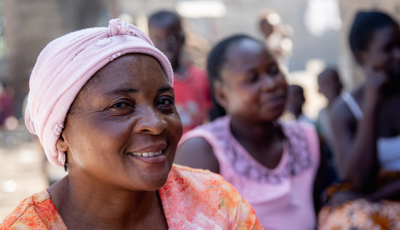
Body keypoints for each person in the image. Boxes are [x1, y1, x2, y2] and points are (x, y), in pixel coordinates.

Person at [0, 19, 262, 229]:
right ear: (60, 134)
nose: (156, 123)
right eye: (120, 105)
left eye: (164, 101)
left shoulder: (216, 201)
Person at [175, 34, 324, 229]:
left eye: (274, 71)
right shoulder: (201, 152)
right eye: (252, 78)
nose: (271, 85)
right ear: (222, 94)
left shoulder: (306, 138)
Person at [319, 11, 400, 229]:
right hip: (382, 205)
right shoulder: (345, 111)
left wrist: (374, 196)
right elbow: (357, 180)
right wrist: (371, 106)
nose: (398, 54)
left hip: (380, 197)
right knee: (348, 219)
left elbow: (362, 192)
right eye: (388, 48)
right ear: (361, 58)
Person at [148, 11, 211, 134]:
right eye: (158, 40)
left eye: (171, 39)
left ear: (182, 39)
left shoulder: (201, 77)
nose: (165, 46)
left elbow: (209, 116)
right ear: (150, 43)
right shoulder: (151, 82)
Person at [316, 68, 343, 149]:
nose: (331, 87)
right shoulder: (322, 113)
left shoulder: (349, 106)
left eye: (333, 81)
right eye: (325, 84)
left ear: (341, 84)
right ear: (319, 90)